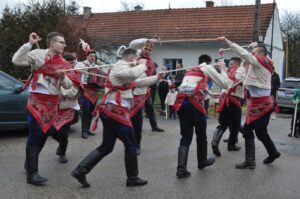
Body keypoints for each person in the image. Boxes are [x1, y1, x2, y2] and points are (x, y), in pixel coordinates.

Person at [71, 48, 161, 187]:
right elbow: (132, 74)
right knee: (131, 145)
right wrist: (143, 64)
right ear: (132, 58)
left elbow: (136, 82)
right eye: (136, 58)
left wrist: (156, 78)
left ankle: (81, 170)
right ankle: (132, 178)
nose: (138, 60)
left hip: (113, 111)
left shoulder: (124, 69)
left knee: (107, 146)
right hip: (115, 111)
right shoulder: (119, 67)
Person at [12, 32, 74, 185]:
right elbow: (17, 60)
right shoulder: (37, 54)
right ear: (52, 43)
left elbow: (68, 85)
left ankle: (29, 163)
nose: (64, 45)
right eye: (61, 42)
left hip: (52, 103)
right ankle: (32, 175)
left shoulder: (63, 62)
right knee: (35, 136)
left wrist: (62, 77)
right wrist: (29, 44)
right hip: (36, 101)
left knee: (44, 135)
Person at [218, 36, 280, 169]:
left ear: (262, 55)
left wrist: (228, 41)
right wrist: (255, 46)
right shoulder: (260, 62)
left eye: (255, 52)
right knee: (256, 131)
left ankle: (255, 159)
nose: (252, 53)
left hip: (262, 104)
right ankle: (268, 154)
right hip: (257, 103)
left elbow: (244, 53)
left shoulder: (262, 62)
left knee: (253, 131)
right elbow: (248, 57)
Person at [174, 60, 231, 179]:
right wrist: (223, 69)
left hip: (180, 103)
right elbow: (225, 84)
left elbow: (195, 87)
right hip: (193, 104)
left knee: (185, 136)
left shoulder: (191, 71)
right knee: (201, 135)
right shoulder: (207, 68)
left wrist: (209, 94)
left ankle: (181, 169)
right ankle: (202, 161)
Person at [211, 57, 246, 157]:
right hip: (233, 101)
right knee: (235, 125)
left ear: (235, 64)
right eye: (229, 64)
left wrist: (222, 64)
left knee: (222, 124)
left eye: (231, 64)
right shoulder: (239, 72)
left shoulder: (229, 72)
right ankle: (231, 145)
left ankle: (215, 142)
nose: (229, 66)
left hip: (224, 100)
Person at [51, 53, 82, 163]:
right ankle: (61, 144)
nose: (73, 65)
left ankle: (62, 153)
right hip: (54, 108)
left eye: (74, 63)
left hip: (68, 108)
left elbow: (74, 93)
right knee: (51, 132)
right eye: (70, 63)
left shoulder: (75, 74)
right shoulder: (54, 72)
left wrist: (59, 91)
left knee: (63, 134)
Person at [75, 48, 106, 139]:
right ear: (87, 56)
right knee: (86, 110)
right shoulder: (82, 64)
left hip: (94, 90)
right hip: (85, 89)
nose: (93, 57)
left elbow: (102, 75)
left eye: (94, 56)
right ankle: (84, 131)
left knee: (91, 111)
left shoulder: (97, 66)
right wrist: (84, 70)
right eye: (91, 56)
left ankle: (87, 129)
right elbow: (76, 69)